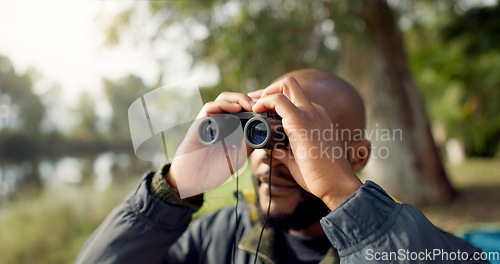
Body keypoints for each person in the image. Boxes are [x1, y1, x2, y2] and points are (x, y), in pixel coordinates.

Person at [75, 69, 487, 263]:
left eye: (299, 135)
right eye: (264, 131)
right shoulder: (215, 239)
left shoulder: (415, 244)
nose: (271, 154)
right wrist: (173, 187)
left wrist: (344, 196)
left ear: (357, 156)